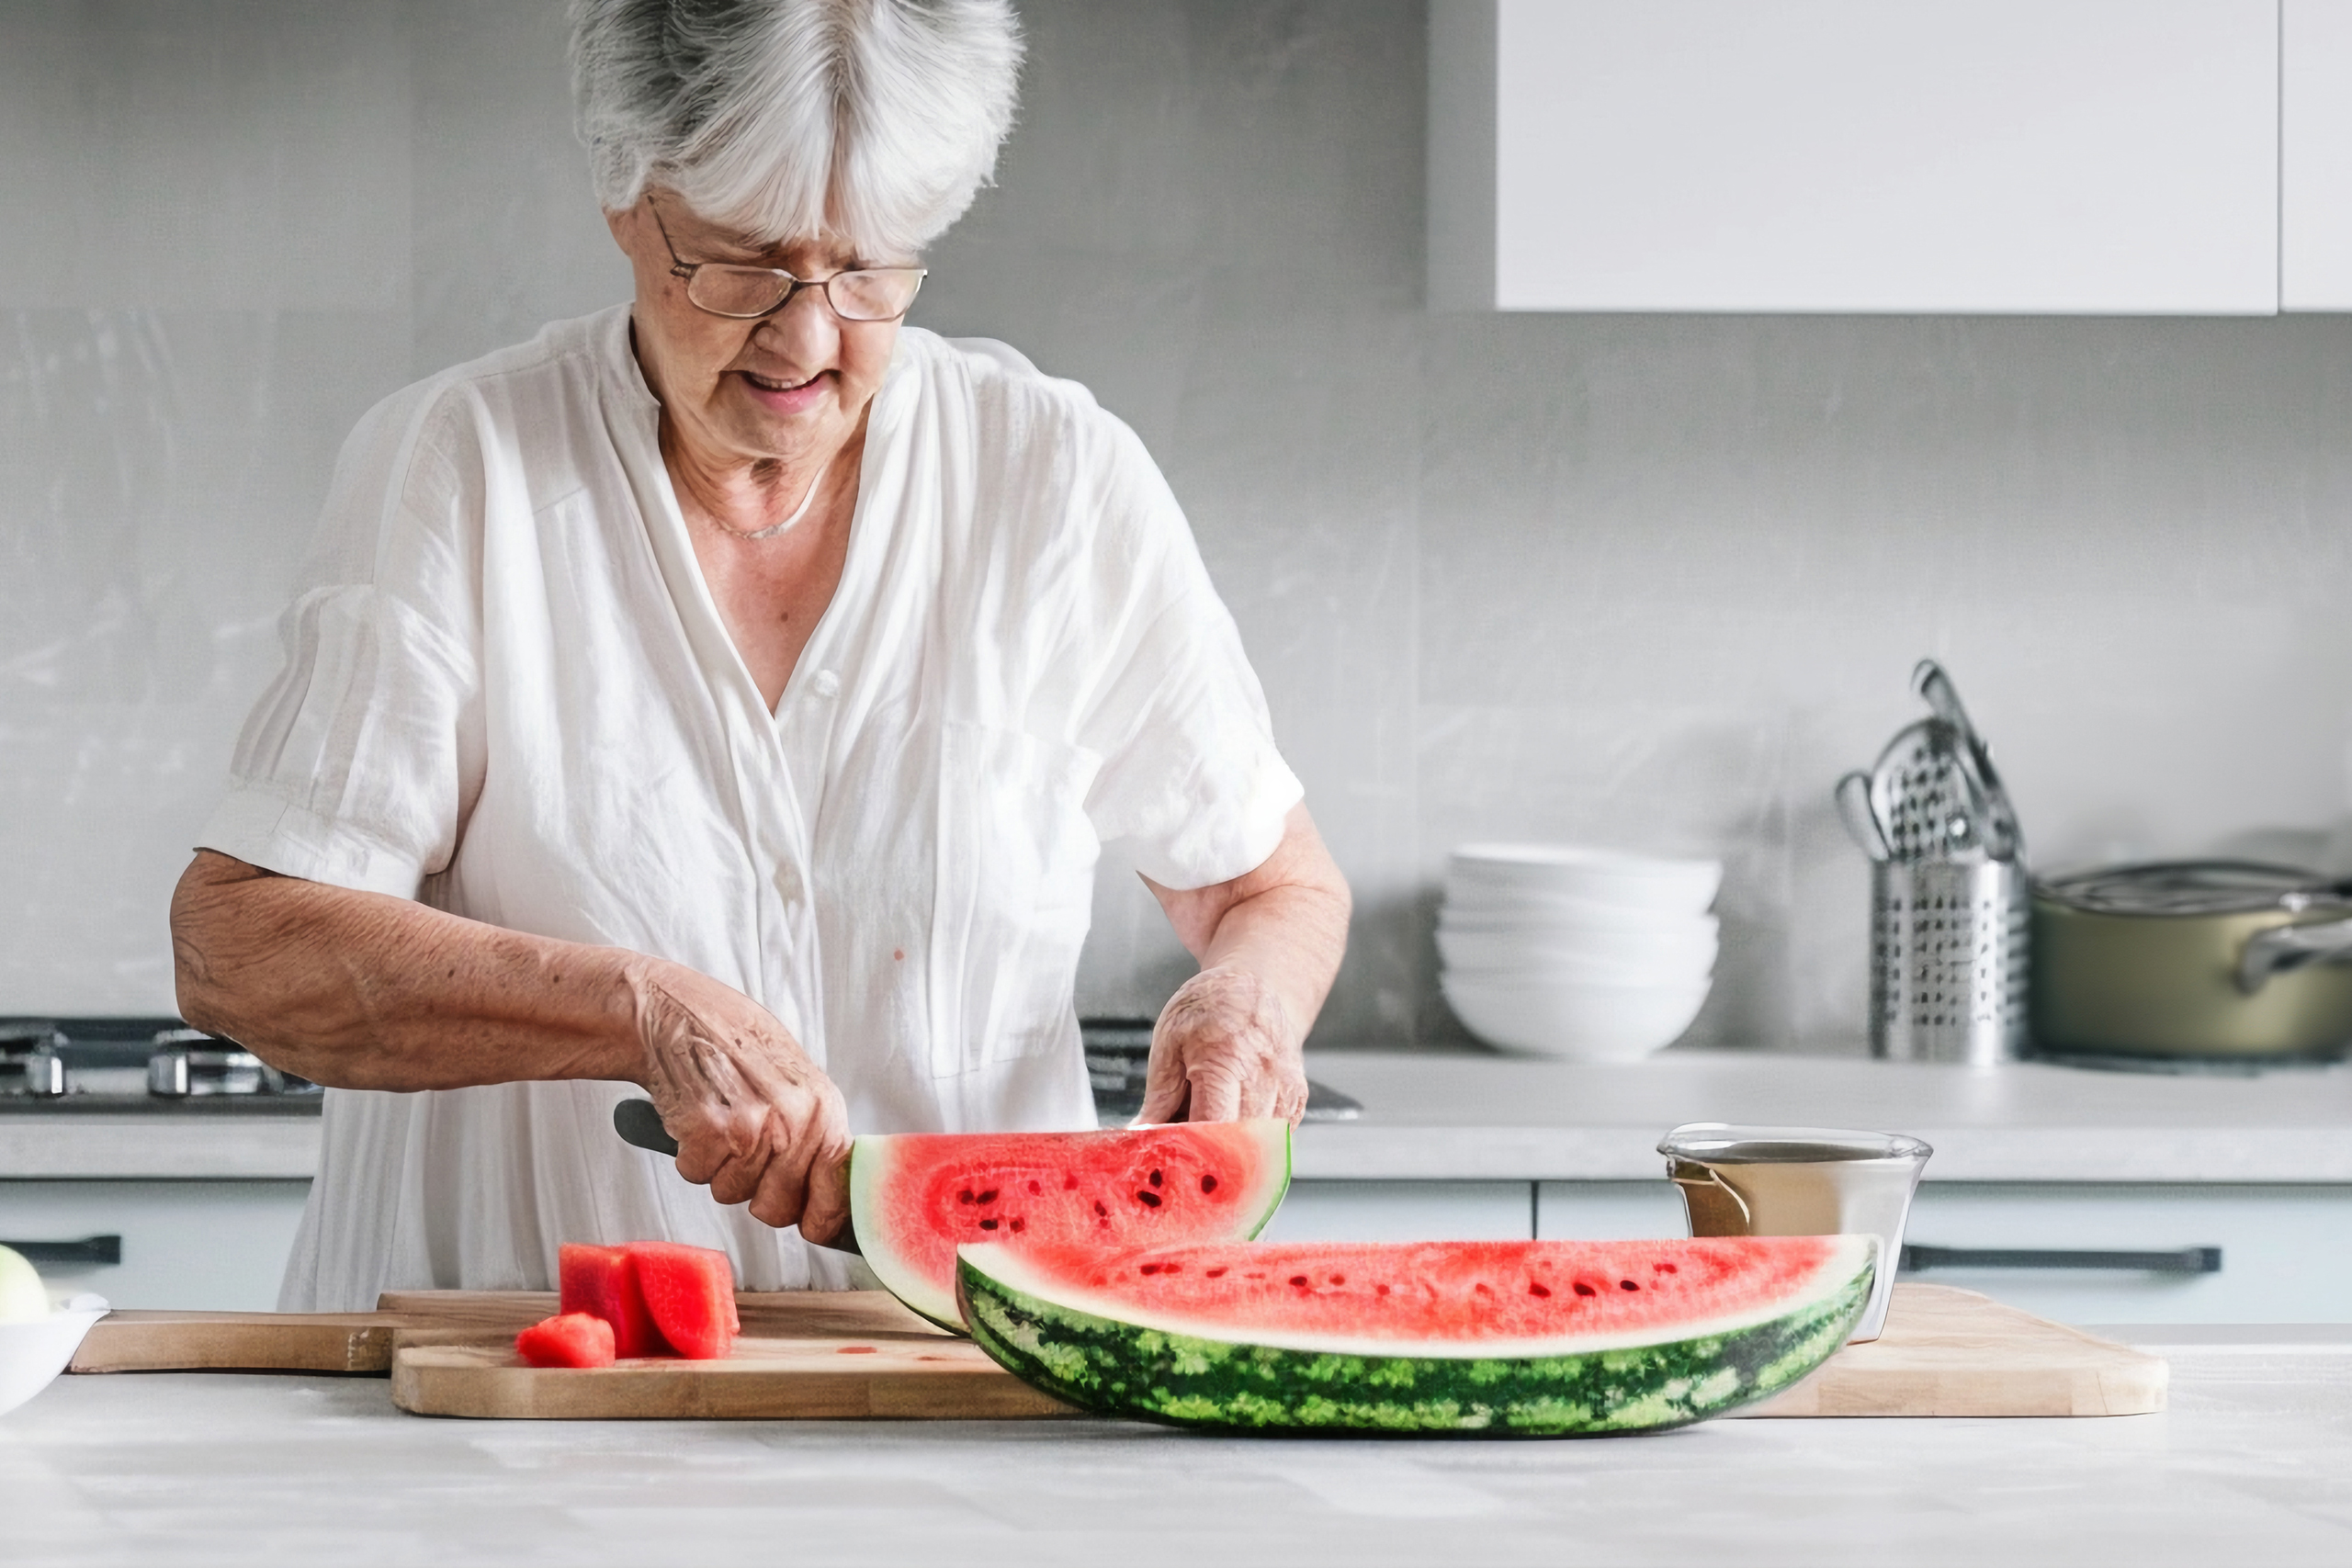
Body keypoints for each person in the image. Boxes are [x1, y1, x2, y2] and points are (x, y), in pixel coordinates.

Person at [166, 0, 1349, 1312]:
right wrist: (635, 1010)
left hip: (956, 1379)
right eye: (737, 265)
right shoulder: (462, 467)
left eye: (866, 271)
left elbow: (1273, 891)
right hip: (505, 1383)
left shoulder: (1057, 480)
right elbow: (237, 949)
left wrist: (1243, 1005)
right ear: (627, 198)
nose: (805, 339)